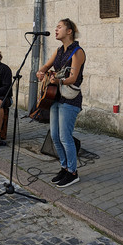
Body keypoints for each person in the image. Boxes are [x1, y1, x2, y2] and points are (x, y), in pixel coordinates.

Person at [36, 18, 86, 188]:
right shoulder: (58, 51)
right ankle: (64, 167)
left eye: (59, 27)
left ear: (69, 31)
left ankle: (73, 172)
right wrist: (41, 73)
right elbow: (45, 67)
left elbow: (72, 77)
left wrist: (58, 81)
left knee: (65, 137)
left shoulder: (77, 52)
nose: (55, 30)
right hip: (55, 97)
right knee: (55, 136)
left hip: (70, 99)